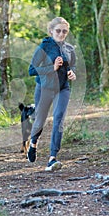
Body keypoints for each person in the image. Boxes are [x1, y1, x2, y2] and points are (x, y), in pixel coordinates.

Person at [27, 17, 76, 171]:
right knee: (40, 120)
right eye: (58, 31)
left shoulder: (69, 49)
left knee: (59, 118)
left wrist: (71, 73)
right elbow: (31, 70)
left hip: (62, 88)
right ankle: (33, 143)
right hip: (45, 88)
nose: (61, 34)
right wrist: (52, 68)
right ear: (51, 31)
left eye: (64, 31)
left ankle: (52, 158)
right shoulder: (44, 47)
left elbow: (69, 67)